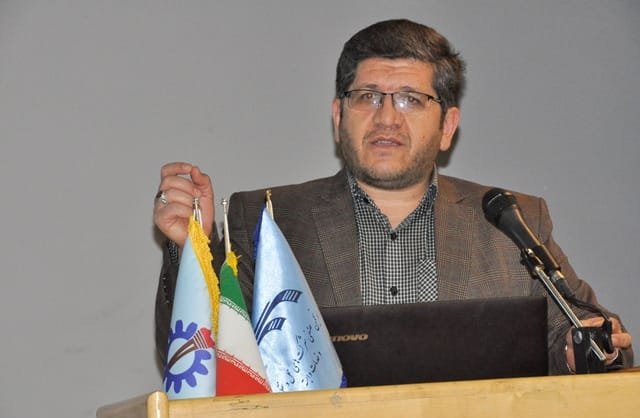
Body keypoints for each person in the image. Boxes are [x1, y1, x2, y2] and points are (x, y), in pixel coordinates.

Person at [153, 19, 633, 375]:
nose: (386, 118)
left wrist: (586, 349)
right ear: (338, 117)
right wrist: (188, 250)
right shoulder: (268, 219)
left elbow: (583, 334)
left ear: (447, 126)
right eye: (367, 96)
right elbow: (202, 358)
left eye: (410, 99)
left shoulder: (509, 221)